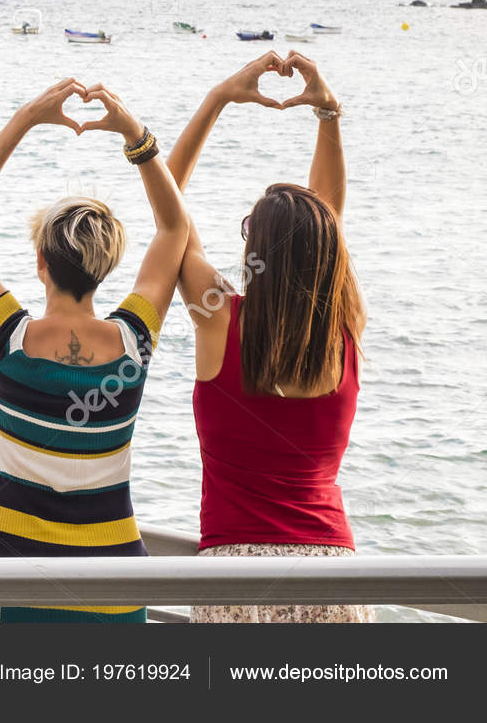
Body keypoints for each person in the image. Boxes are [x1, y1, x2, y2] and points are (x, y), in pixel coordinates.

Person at [0, 79, 188, 622]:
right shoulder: (132, 343)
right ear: (104, 272)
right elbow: (175, 226)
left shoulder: (6, 338)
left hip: (7, 583)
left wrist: (27, 117)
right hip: (114, 585)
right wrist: (135, 136)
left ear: (40, 263)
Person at [167, 51, 370, 623]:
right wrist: (328, 115)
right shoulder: (342, 333)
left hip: (236, 580)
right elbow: (324, 227)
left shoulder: (217, 318)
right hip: (334, 577)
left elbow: (169, 209)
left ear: (254, 249)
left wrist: (218, 98)